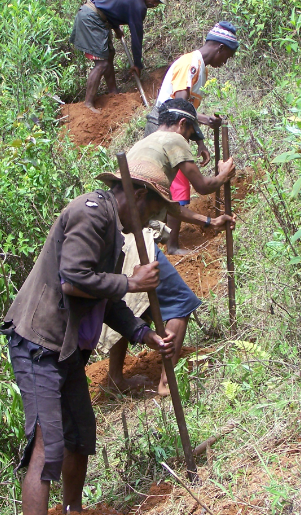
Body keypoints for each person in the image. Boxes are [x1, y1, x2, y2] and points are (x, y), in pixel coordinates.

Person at [0, 161, 178, 515]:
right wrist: (131, 282)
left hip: (66, 351)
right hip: (39, 344)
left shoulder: (114, 232)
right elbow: (73, 280)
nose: (146, 224)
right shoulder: (91, 213)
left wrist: (144, 334)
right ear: (137, 195)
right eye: (150, 213)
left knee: (79, 437)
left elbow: (105, 299)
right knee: (47, 444)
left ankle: (73, 510)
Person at [104, 98, 236, 395]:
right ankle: (167, 384)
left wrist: (207, 221)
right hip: (137, 237)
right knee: (180, 303)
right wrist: (223, 175)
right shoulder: (175, 139)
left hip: (116, 235)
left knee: (126, 306)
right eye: (191, 134)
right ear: (183, 124)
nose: (188, 140)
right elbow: (202, 186)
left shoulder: (146, 143)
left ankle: (115, 377)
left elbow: (168, 206)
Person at [145, 22, 239, 252]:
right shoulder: (192, 64)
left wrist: (199, 141)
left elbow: (186, 112)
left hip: (174, 126)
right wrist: (205, 121)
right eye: (227, 55)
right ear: (219, 47)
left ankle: (163, 238)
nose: (225, 62)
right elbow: (179, 105)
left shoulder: (199, 67)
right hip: (165, 124)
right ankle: (172, 244)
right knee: (174, 185)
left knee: (171, 184)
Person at [70, 0, 172, 113]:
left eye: (159, 2)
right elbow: (137, 37)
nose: (155, 5)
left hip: (94, 15)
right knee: (102, 64)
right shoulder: (138, 6)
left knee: (109, 54)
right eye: (156, 0)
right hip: (92, 19)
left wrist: (116, 28)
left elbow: (109, 4)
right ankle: (88, 103)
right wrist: (137, 64)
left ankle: (113, 92)